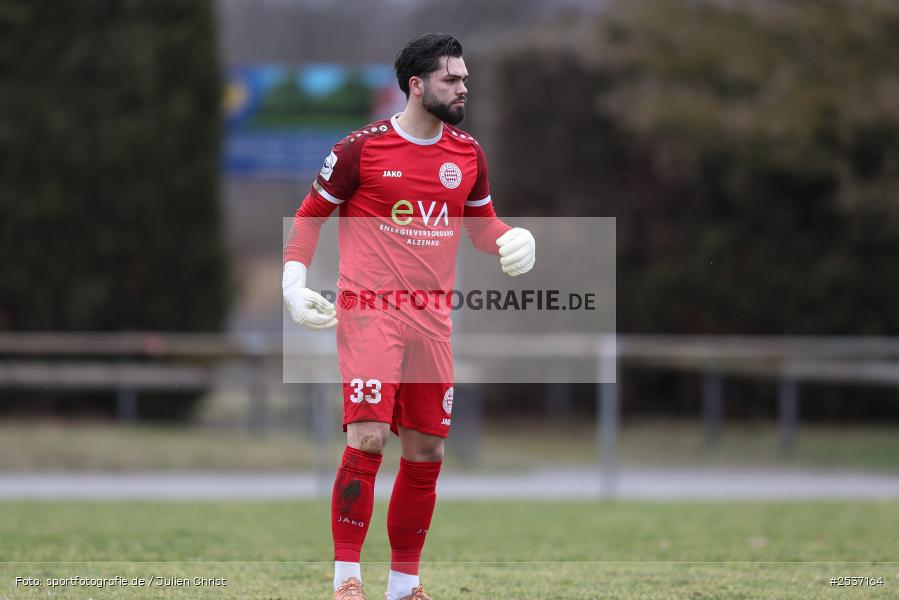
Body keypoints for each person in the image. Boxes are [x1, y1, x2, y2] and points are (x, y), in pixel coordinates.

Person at [282, 33, 535, 600]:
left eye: (465, 77)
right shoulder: (360, 149)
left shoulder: (467, 154)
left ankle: (404, 586)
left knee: (427, 451)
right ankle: (347, 579)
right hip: (370, 311)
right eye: (452, 78)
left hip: (433, 321)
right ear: (417, 85)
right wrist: (293, 285)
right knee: (368, 437)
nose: (463, 86)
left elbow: (481, 226)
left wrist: (513, 239)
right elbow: (308, 218)